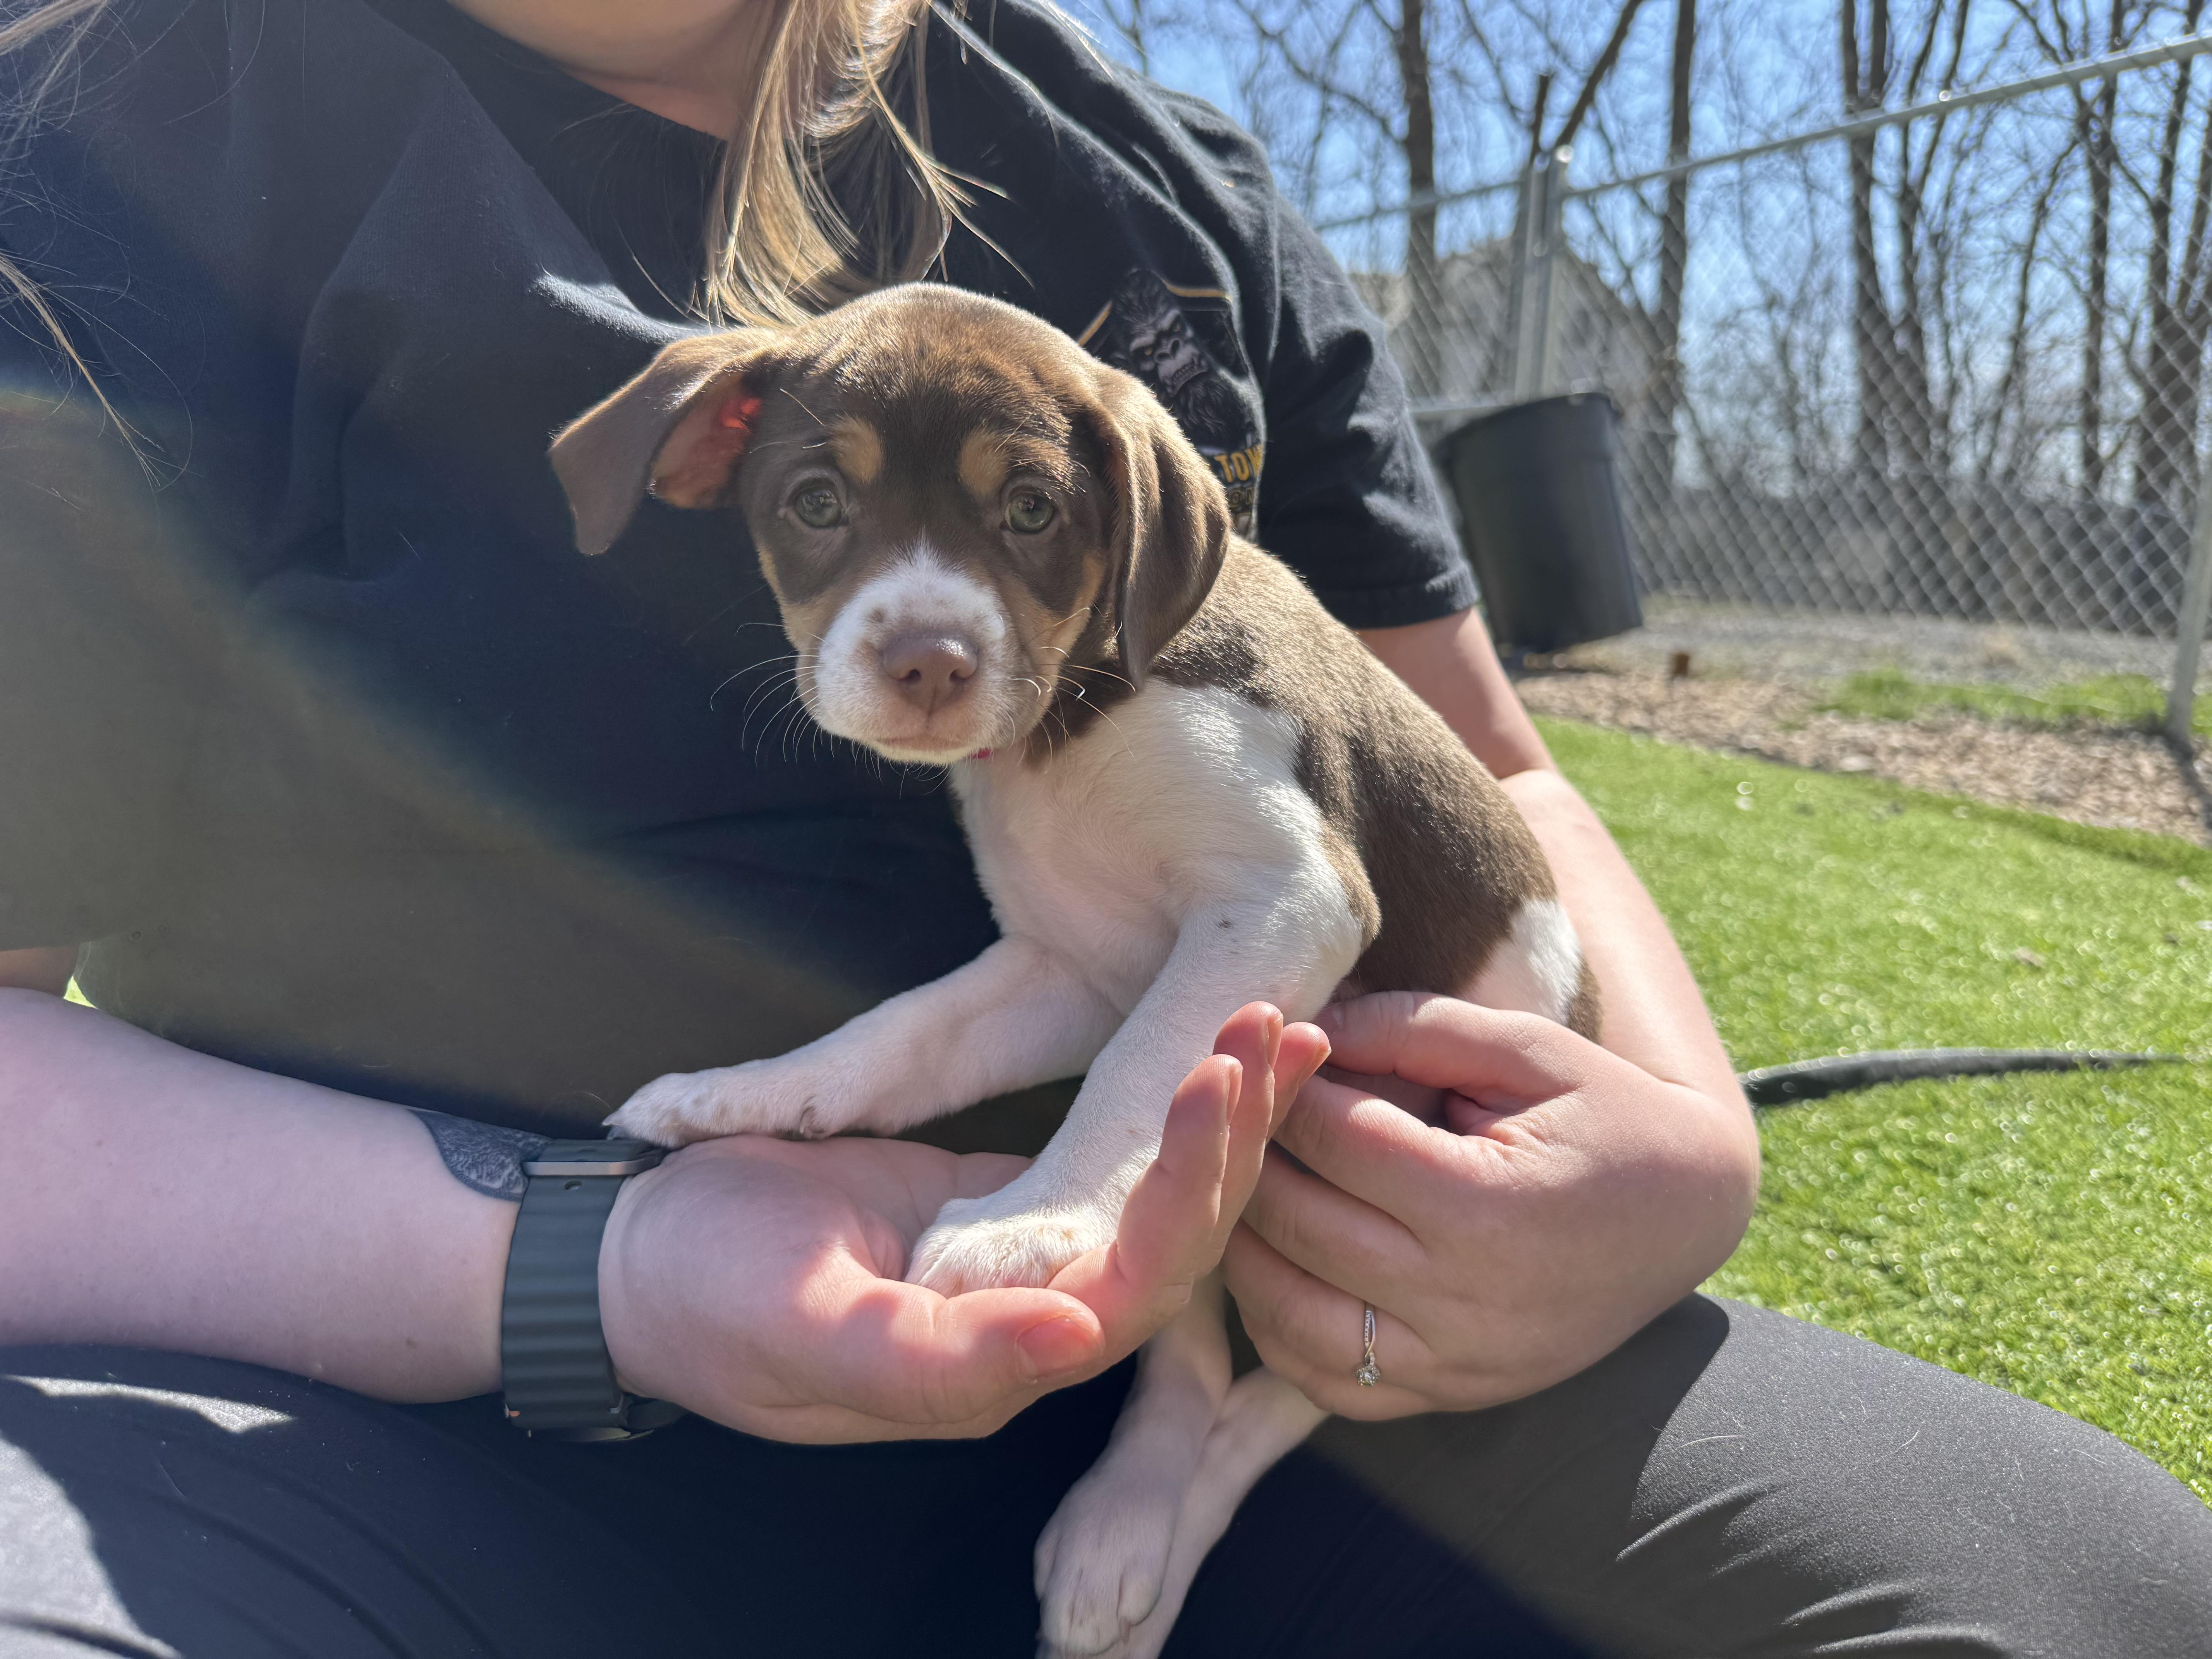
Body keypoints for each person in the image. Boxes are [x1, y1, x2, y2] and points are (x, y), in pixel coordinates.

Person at [0, 1, 2205, 1654]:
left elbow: (1485, 774)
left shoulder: (1156, 177)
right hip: (363, 1432)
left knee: (2096, 1602)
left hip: (1262, 1337)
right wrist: (600, 1265)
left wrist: (1688, 1144)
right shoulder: (110, 140)